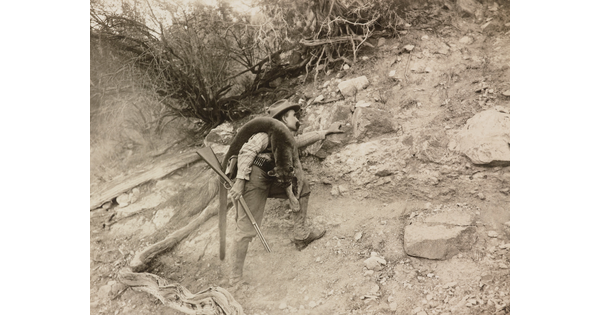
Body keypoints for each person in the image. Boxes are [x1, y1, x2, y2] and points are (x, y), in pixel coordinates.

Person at [225, 99, 344, 287]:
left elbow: (297, 142)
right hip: (252, 180)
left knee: (301, 186)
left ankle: (301, 234)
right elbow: (247, 152)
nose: (297, 120)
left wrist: (325, 132)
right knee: (246, 229)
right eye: (293, 116)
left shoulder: (283, 137)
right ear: (282, 118)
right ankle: (235, 278)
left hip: (270, 178)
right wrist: (239, 183)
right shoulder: (265, 134)